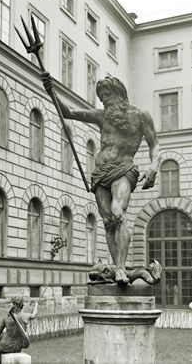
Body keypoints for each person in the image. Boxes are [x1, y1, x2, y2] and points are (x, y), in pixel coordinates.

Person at [41, 73, 161, 284]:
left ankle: (122, 268)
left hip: (124, 169)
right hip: (100, 174)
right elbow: (68, 113)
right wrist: (52, 91)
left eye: (107, 95)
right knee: (107, 223)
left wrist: (154, 166)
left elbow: (154, 145)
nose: (104, 100)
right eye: (101, 96)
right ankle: (118, 270)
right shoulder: (101, 115)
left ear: (119, 94)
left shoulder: (141, 116)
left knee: (118, 214)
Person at [0, 297, 38, 364]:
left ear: (14, 306)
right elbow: (34, 315)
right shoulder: (26, 316)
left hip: (6, 347)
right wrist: (36, 305)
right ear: (22, 306)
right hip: (18, 347)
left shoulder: (6, 319)